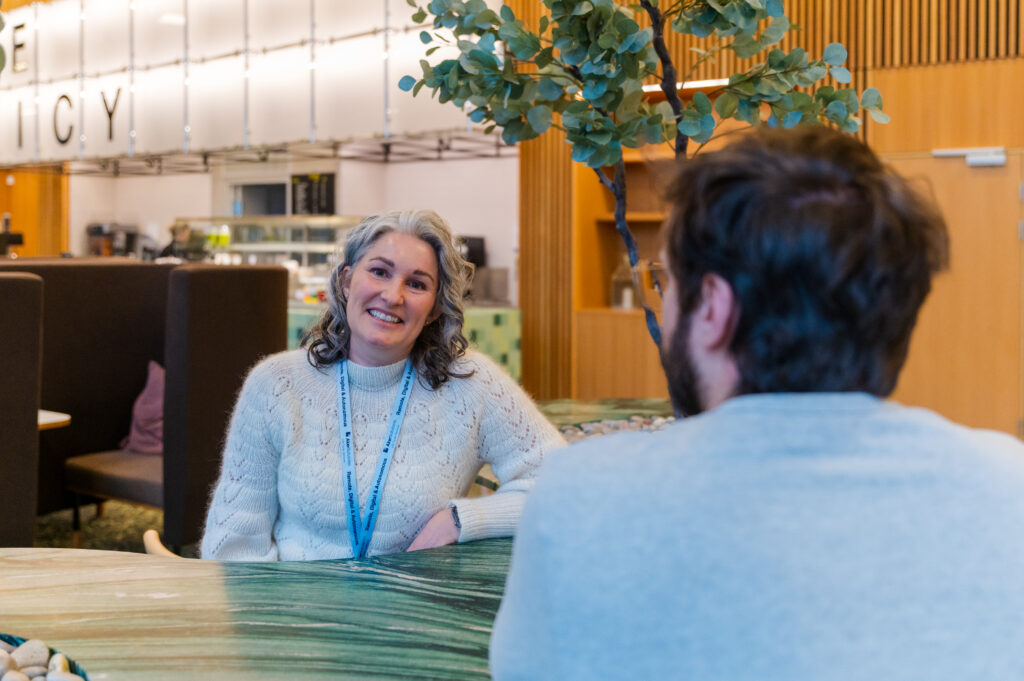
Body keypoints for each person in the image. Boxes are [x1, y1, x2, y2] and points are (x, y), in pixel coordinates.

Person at [490, 126, 1024, 680]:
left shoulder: (580, 498)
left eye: (666, 279)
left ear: (715, 307)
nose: (664, 303)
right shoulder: (1010, 487)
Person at [201, 210, 564, 561]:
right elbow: (232, 544)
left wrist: (459, 520)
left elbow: (566, 485)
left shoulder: (471, 385)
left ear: (435, 309)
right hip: (296, 614)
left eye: (417, 284)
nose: (393, 296)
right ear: (346, 281)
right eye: (379, 272)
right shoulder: (275, 385)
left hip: (412, 614)